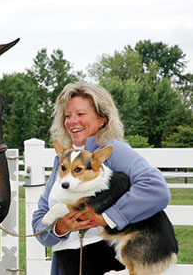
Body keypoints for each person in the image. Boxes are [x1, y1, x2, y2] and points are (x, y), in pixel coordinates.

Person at [32, 82, 170, 275]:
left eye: (80, 114)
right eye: (67, 115)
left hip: (105, 260)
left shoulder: (113, 152)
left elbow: (156, 189)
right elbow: (40, 220)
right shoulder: (63, 161)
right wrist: (60, 228)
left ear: (102, 119)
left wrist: (106, 218)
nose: (72, 121)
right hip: (66, 265)